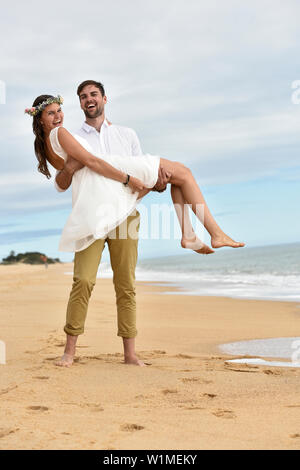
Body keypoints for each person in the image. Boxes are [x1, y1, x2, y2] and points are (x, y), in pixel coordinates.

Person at [26, 82, 245, 367]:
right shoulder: (68, 134)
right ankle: (69, 351)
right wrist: (76, 169)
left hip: (125, 213)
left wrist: (152, 185)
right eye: (82, 97)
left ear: (104, 98)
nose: (59, 115)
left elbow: (136, 180)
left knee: (126, 283)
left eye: (93, 95)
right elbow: (70, 176)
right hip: (91, 214)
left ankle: (130, 353)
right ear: (78, 104)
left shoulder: (126, 134)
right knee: (83, 281)